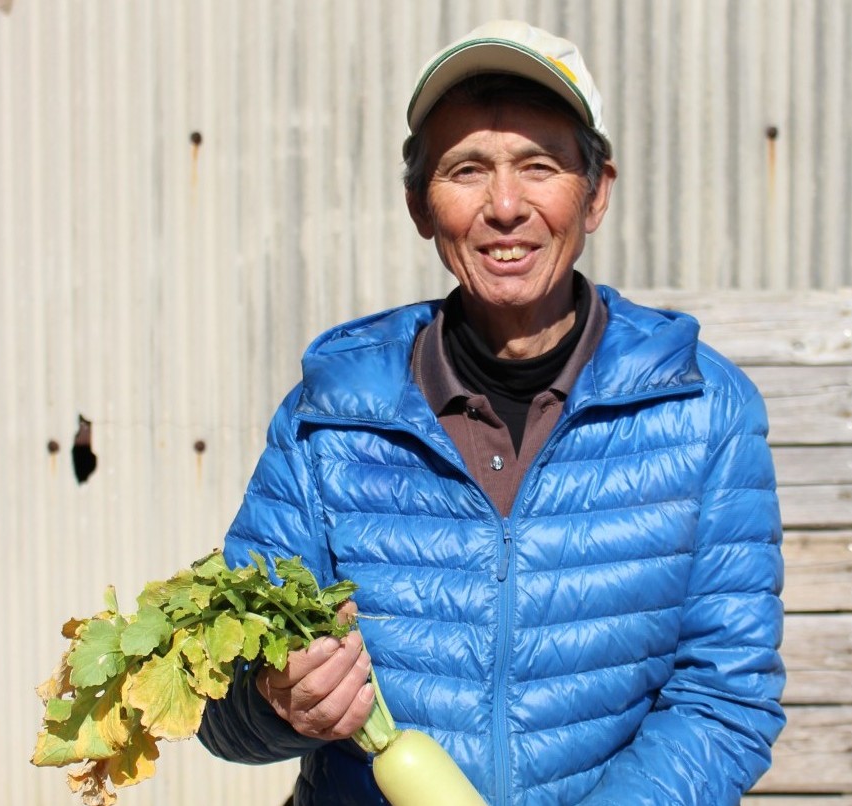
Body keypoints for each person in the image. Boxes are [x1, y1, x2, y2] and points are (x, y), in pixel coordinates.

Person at [198, 19, 785, 805]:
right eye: (466, 169)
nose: (504, 206)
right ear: (419, 204)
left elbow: (725, 697)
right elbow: (218, 701)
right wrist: (277, 705)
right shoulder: (329, 419)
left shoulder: (701, 410)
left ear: (596, 193)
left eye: (538, 166)